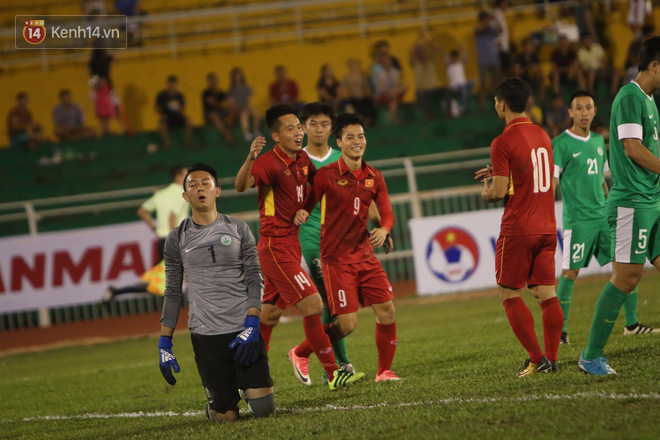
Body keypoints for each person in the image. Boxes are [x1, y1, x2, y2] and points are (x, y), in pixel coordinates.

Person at [234, 104, 364, 390]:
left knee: (269, 315)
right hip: (275, 247)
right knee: (315, 304)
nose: (297, 132)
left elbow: (311, 191)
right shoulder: (267, 162)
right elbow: (241, 185)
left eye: (298, 127)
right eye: (290, 128)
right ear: (276, 136)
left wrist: (304, 209)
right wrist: (250, 157)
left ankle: (249, 376)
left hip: (290, 244)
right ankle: (333, 372)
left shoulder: (303, 159)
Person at [159, 163, 275, 423]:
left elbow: (255, 277)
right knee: (227, 417)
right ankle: (216, 405)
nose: (199, 187)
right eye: (192, 185)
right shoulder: (176, 239)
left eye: (205, 183)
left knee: (264, 410)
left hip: (243, 329)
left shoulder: (238, 228)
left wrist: (253, 321)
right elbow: (173, 292)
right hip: (206, 335)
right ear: (185, 196)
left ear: (217, 191)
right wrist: (165, 341)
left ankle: (248, 389)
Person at [292, 113, 400, 383]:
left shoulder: (375, 176)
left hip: (365, 256)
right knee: (346, 325)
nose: (357, 141)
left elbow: (387, 213)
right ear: (339, 142)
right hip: (336, 260)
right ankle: (301, 351)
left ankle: (384, 372)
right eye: (349, 137)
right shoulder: (326, 175)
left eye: (360, 136)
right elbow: (306, 202)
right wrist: (302, 213)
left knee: (387, 311)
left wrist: (384, 229)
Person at [578, 37, 660, 376]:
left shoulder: (649, 99)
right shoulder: (629, 96)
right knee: (626, 277)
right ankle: (590, 356)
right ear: (655, 66)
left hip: (651, 200)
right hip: (631, 202)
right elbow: (632, 149)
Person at [474, 78, 563, 377]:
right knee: (547, 293)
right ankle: (552, 357)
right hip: (548, 225)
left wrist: (488, 192)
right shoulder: (543, 135)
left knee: (508, 293)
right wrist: (504, 173)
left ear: (501, 104)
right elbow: (544, 179)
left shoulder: (502, 140)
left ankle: (536, 358)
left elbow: (498, 192)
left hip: (519, 227)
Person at [553, 90, 656, 345]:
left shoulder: (599, 141)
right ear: (570, 112)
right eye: (578, 108)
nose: (584, 113)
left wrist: (608, 201)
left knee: (626, 264)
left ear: (595, 111)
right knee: (569, 273)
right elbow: (552, 182)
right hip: (577, 220)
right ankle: (561, 332)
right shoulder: (560, 144)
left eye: (588, 108)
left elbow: (602, 178)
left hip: (603, 215)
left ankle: (632, 324)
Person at [102, 166, 190, 304]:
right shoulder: (181, 193)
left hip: (162, 241)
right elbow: (172, 217)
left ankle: (116, 291)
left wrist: (154, 227)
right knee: (194, 270)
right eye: (186, 173)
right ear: (178, 177)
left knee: (155, 282)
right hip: (174, 240)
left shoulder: (161, 194)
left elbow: (142, 211)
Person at [409, 32, 446, 120]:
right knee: (420, 94)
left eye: (424, 52)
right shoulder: (415, 63)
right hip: (423, 91)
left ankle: (448, 111)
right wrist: (417, 39)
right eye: (420, 53)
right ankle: (427, 114)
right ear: (417, 54)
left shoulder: (431, 60)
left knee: (446, 90)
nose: (423, 54)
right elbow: (411, 52)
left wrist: (426, 39)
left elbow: (436, 48)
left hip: (434, 89)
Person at [156, 75, 192, 149]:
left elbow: (183, 108)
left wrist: (179, 110)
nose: (172, 86)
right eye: (170, 84)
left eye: (174, 84)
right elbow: (157, 107)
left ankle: (189, 141)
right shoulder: (162, 95)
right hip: (167, 117)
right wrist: (161, 114)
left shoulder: (179, 95)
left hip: (177, 116)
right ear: (167, 84)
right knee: (162, 123)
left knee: (189, 120)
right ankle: (167, 143)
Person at [474, 11, 501, 106]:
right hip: (483, 60)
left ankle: (498, 103)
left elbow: (500, 30)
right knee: (483, 83)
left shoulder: (491, 28)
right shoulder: (478, 28)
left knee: (497, 82)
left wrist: (496, 20)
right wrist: (489, 20)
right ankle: (482, 104)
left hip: (494, 58)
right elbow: (481, 30)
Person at [372, 53, 408, 123]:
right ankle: (393, 117)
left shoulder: (395, 71)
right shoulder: (379, 73)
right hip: (383, 94)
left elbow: (396, 84)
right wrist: (390, 92)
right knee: (393, 99)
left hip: (393, 93)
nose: (387, 62)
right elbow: (382, 87)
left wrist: (393, 92)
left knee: (404, 86)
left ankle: (393, 116)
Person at [229, 66, 262, 143]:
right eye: (235, 76)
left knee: (256, 113)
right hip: (238, 109)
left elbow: (249, 99)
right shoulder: (231, 89)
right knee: (244, 114)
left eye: (238, 76)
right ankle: (246, 133)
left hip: (246, 107)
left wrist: (247, 107)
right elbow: (231, 101)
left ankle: (256, 131)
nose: (237, 78)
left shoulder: (246, 87)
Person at [340, 58, 377, 125]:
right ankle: (355, 121)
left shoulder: (363, 76)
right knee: (347, 104)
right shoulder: (346, 77)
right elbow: (343, 90)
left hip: (363, 97)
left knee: (370, 103)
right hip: (352, 97)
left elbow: (367, 88)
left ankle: (368, 121)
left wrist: (367, 95)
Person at [202, 72, 236, 143]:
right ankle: (226, 134)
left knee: (233, 110)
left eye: (215, 81)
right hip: (210, 114)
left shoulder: (221, 92)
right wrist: (222, 104)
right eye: (212, 81)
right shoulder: (206, 93)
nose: (214, 83)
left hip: (220, 112)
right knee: (214, 115)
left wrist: (228, 105)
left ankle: (229, 131)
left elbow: (225, 103)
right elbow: (212, 103)